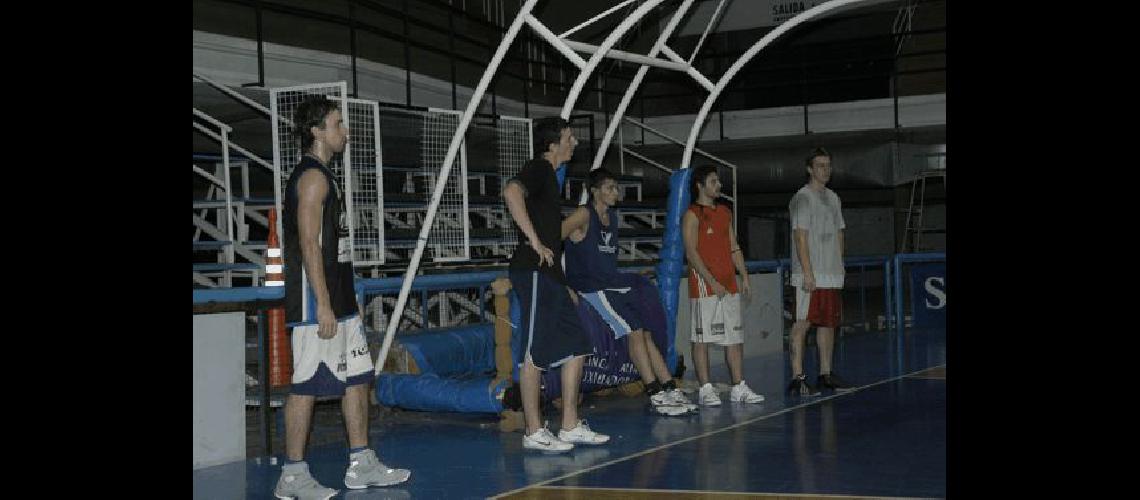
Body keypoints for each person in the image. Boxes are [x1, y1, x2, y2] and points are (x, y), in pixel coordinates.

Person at [276, 95, 410, 500]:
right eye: (337, 124)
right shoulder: (312, 178)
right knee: (306, 386)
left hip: (340, 296)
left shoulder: (327, 176)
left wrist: (341, 298)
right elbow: (308, 244)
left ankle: (361, 462)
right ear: (317, 131)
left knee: (357, 380)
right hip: (316, 301)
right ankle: (293, 475)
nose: (344, 131)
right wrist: (323, 302)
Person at [502, 116, 611, 452]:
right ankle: (534, 431)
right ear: (552, 145)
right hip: (531, 270)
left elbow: (552, 234)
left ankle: (569, 424)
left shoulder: (551, 177)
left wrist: (564, 283)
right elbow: (510, 191)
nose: (574, 142)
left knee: (577, 345)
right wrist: (533, 240)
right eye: (569, 136)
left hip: (550, 276)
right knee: (535, 354)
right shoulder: (539, 167)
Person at [562, 168, 697, 416]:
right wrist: (561, 283)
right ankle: (655, 394)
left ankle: (669, 387)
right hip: (590, 287)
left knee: (644, 332)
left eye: (616, 187)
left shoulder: (611, 218)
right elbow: (554, 237)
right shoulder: (583, 214)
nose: (616, 192)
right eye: (610, 188)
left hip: (609, 284)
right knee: (634, 331)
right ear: (594, 191)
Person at [682, 165, 766, 406]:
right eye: (713, 181)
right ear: (700, 185)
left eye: (718, 181)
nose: (718, 186)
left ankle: (739, 386)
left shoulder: (724, 212)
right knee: (702, 339)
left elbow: (733, 246)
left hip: (729, 285)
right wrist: (712, 282)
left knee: (734, 338)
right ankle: (706, 388)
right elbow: (691, 253)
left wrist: (745, 276)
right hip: (705, 287)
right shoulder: (691, 214)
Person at [787, 147, 852, 396]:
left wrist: (840, 265)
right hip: (810, 273)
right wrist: (808, 272)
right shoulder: (802, 198)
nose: (826, 170)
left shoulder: (833, 198)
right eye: (821, 166)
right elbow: (799, 236)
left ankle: (825, 373)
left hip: (831, 272)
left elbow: (839, 233)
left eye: (828, 165)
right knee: (803, 322)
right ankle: (797, 376)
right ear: (810, 169)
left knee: (828, 324)